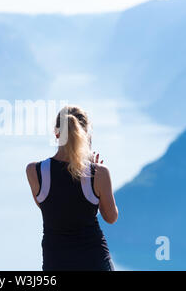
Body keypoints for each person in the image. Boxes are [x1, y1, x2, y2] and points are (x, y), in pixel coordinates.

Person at [26, 105, 118, 271]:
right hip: (95, 263)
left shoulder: (35, 171)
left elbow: (52, 209)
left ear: (56, 133)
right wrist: (94, 173)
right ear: (86, 136)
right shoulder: (98, 173)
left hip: (56, 264)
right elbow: (111, 217)